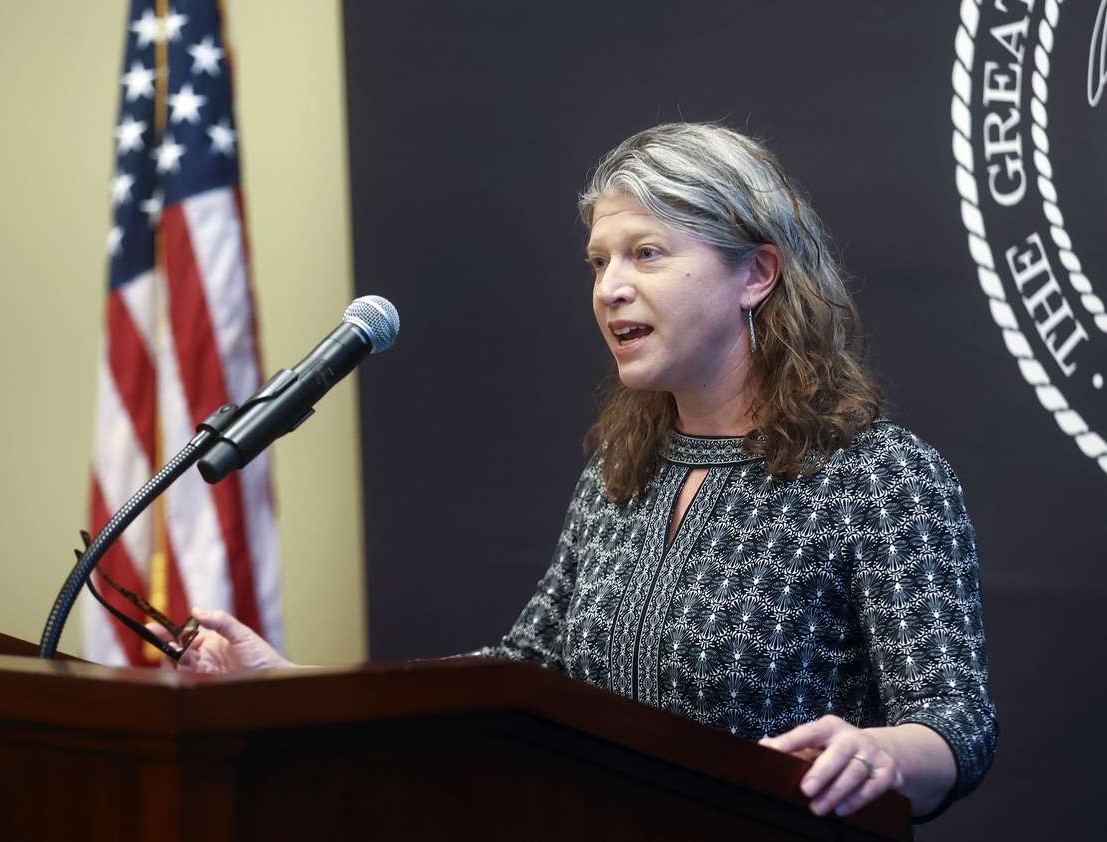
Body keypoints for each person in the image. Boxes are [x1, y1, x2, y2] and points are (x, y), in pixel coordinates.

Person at [163, 123, 997, 821]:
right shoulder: (619, 470)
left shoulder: (878, 477)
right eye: (600, 262)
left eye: (647, 253)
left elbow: (957, 725)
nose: (612, 289)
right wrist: (291, 684)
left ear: (757, 273)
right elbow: (521, 676)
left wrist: (882, 752)